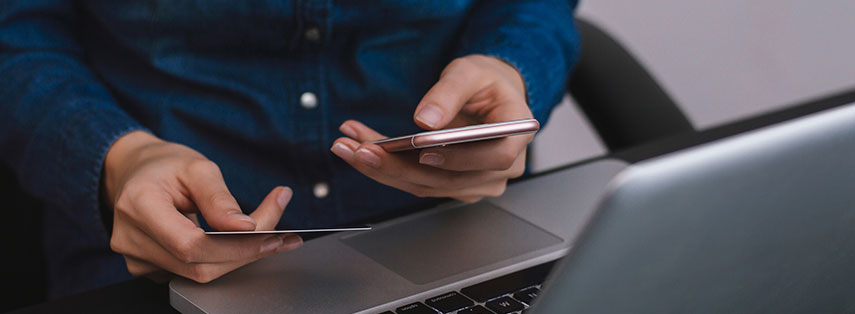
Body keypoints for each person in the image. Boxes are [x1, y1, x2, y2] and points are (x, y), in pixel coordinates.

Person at [0, 0, 581, 298]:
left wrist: (511, 65)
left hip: (460, 234)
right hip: (161, 251)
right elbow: (17, 31)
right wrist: (119, 159)